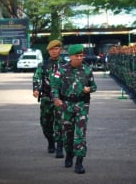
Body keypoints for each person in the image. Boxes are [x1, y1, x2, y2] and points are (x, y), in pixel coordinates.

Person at [51, 44, 97, 174]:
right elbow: (54, 87)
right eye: (77, 56)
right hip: (66, 106)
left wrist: (90, 89)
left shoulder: (87, 70)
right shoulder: (61, 70)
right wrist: (56, 99)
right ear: (71, 56)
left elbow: (94, 86)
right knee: (67, 135)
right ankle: (69, 154)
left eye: (82, 55)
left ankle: (79, 162)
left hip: (82, 105)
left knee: (80, 134)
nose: (80, 58)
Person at [33, 39, 67, 158]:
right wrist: (36, 89)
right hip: (47, 99)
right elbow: (37, 77)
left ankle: (59, 146)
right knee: (45, 124)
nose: (53, 51)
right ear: (48, 51)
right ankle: (51, 141)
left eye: (56, 49)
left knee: (60, 123)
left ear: (60, 50)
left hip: (60, 99)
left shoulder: (66, 65)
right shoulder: (43, 65)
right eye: (51, 49)